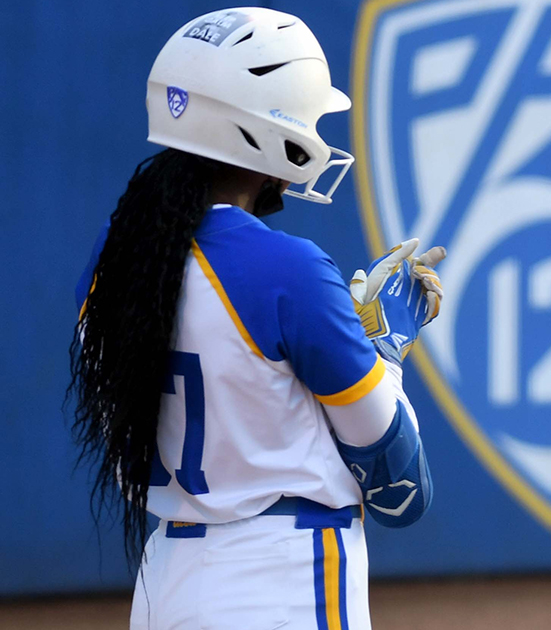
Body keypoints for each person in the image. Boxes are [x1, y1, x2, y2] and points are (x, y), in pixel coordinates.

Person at [67, 8, 443, 629]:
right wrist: (385, 345)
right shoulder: (287, 268)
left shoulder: (116, 258)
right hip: (282, 581)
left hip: (166, 583)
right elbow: (401, 489)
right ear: (260, 131)